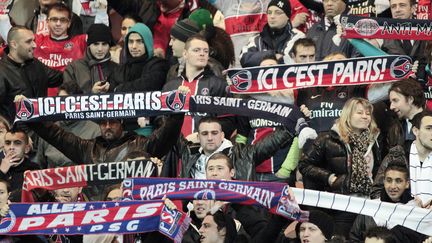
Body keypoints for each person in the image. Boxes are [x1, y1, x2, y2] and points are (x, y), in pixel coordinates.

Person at [299, 97, 381, 237]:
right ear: (348, 115)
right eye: (360, 112)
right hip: (342, 205)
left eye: (368, 113)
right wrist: (330, 178)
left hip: (368, 204)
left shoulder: (373, 141)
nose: (365, 116)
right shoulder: (327, 139)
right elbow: (304, 165)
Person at [178, 117, 298, 181]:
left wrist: (293, 125)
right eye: (205, 134)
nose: (210, 138)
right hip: (193, 210)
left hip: (229, 212)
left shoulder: (241, 154)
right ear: (198, 137)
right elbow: (170, 133)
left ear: (222, 135)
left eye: (214, 133)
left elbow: (269, 144)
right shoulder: (188, 153)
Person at [163, 35, 227, 137]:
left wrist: (203, 137)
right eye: (196, 50)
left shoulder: (219, 85)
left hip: (206, 148)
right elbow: (161, 119)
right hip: (175, 148)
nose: (202, 54)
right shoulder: (170, 86)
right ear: (185, 54)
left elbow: (227, 120)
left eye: (206, 51)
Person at [0, 26, 62, 122]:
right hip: (18, 133)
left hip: (44, 128)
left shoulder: (35, 63)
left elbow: (59, 78)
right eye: (29, 41)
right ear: (14, 44)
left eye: (34, 40)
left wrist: (81, 67)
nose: (34, 45)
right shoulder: (2, 72)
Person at [35, 82, 101, 169]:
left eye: (67, 101)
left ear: (79, 103)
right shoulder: (49, 130)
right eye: (60, 101)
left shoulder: (95, 131)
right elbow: (39, 167)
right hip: (53, 181)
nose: (63, 105)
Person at [350, 161, 413, 242]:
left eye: (398, 181)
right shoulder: (369, 208)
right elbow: (354, 238)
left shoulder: (415, 210)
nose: (393, 186)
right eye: (389, 180)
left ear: (407, 184)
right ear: (384, 181)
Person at [33, 3, 87, 96]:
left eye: (63, 20)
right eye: (54, 19)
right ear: (47, 22)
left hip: (71, 101)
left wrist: (100, 14)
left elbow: (100, 35)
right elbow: (14, 39)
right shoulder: (37, 40)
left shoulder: (80, 41)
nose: (58, 24)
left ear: (69, 23)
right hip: (42, 102)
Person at [106, 22, 169, 93]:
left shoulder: (158, 65)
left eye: (139, 41)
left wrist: (118, 89)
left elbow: (148, 85)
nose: (134, 46)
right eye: (130, 42)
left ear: (147, 43)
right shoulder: (120, 70)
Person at [240, 0, 305, 67]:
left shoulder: (298, 37)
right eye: (269, 12)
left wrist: (261, 56)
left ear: (288, 16)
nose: (272, 16)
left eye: (278, 13)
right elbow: (244, 58)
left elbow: (286, 60)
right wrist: (272, 54)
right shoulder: (257, 39)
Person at [63, 23, 118, 94]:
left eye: (104, 44)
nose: (100, 49)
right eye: (96, 44)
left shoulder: (117, 68)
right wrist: (91, 93)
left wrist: (110, 90)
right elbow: (69, 99)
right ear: (89, 45)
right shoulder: (73, 68)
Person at [387, 79, 425, 156]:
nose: (391, 107)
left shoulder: (429, 123)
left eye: (395, 100)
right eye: (391, 102)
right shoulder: (394, 129)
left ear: (410, 99)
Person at [0, 129, 39, 202]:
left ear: (26, 149)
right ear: (4, 147)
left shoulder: (33, 170)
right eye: (8, 143)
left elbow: (37, 197)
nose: (11, 147)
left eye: (17, 143)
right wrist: (1, 171)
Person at [407, 110, 432, 208]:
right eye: (429, 128)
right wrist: (409, 203)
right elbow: (377, 191)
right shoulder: (399, 155)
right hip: (402, 220)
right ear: (415, 131)